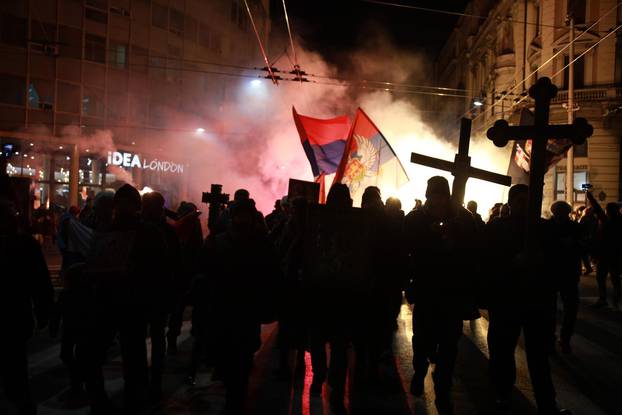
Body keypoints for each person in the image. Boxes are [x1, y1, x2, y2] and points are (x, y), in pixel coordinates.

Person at [484, 184, 570, 415]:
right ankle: (502, 396)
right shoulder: (497, 228)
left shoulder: (545, 229)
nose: (524, 205)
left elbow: (558, 262)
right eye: (520, 201)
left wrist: (542, 262)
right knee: (502, 354)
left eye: (528, 201)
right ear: (511, 203)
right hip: (507, 300)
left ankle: (546, 404)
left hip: (536, 302)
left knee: (539, 358)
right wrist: (513, 264)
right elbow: (487, 263)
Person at [86, 184, 168, 413]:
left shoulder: (148, 233)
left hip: (133, 303)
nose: (122, 208)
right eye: (119, 203)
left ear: (135, 207)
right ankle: (104, 402)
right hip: (108, 302)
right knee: (95, 356)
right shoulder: (106, 231)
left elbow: (161, 270)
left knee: (134, 359)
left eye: (127, 203)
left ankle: (134, 402)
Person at [198, 198, 281, 415]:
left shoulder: (261, 244)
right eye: (238, 215)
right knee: (227, 360)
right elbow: (205, 274)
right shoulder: (220, 242)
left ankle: (235, 402)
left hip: (244, 311)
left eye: (244, 215)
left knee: (241, 363)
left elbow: (271, 277)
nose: (241, 219)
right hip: (225, 310)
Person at [404, 176, 478, 413]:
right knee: (422, 340)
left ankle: (443, 391)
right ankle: (419, 371)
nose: (438, 199)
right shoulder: (415, 219)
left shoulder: (463, 219)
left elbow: (474, 248)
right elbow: (406, 249)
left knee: (448, 346)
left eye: (441, 194)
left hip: (451, 294)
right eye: (434, 194)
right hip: (427, 291)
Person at [0, 176, 55, 415]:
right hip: (14, 315)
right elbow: (40, 281)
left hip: (14, 316)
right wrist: (44, 310)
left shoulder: (24, 243)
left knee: (16, 373)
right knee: (16, 372)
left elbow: (40, 281)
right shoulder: (23, 243)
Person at [141, 191, 179, 401]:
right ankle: (153, 381)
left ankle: (150, 382)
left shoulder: (158, 231)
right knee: (155, 338)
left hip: (149, 293)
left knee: (149, 338)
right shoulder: (167, 231)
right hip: (155, 293)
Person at [548, 201, 583, 353]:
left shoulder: (548, 226)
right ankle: (560, 338)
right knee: (563, 308)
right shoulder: (573, 227)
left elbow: (583, 247)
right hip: (560, 272)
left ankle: (559, 338)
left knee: (559, 308)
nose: (561, 216)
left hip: (560, 272)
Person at [588, 192, 622, 309]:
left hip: (606, 254)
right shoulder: (619, 221)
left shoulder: (608, 221)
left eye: (607, 210)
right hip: (616, 254)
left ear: (610, 211)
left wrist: (591, 198)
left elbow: (598, 210)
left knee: (601, 277)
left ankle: (604, 299)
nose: (606, 211)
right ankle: (616, 299)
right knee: (615, 278)